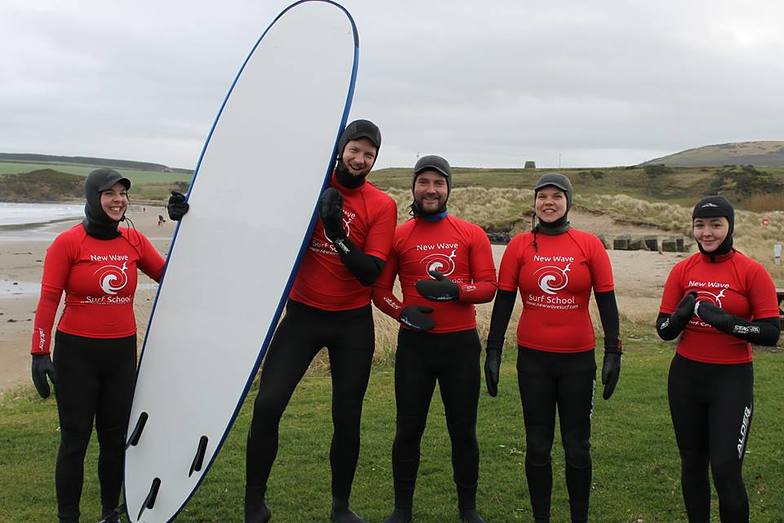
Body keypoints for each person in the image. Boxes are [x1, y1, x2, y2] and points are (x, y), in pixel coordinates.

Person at [244, 119, 397, 523]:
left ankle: (340, 507)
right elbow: (250, 218)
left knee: (346, 417)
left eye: (369, 154)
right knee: (268, 404)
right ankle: (254, 502)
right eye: (355, 150)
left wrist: (337, 234)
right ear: (341, 148)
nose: (360, 159)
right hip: (303, 316)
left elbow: (370, 273)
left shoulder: (381, 206)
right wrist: (187, 212)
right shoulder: (307, 187)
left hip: (351, 322)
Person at [30, 168, 167, 523]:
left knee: (114, 439)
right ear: (94, 198)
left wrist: (185, 223)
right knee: (75, 441)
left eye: (122, 193)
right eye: (109, 193)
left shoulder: (133, 242)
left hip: (120, 354)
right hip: (77, 355)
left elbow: (169, 274)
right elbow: (48, 300)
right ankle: (68, 517)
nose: (118, 200)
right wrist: (40, 352)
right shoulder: (68, 242)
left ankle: (110, 512)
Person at [484, 173, 621, 523]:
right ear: (534, 203)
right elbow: (503, 302)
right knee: (538, 447)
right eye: (542, 196)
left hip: (577, 362)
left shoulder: (589, 245)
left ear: (568, 202)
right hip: (533, 362)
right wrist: (494, 351)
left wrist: (613, 353)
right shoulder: (519, 246)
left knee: (577, 448)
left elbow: (606, 302)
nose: (548, 202)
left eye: (556, 196)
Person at [372, 155, 497, 523]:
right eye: (424, 182)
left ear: (448, 189)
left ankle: (468, 509)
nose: (431, 190)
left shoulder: (470, 233)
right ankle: (402, 509)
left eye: (438, 183)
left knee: (463, 431)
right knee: (408, 428)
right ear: (413, 187)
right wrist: (401, 313)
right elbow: (380, 291)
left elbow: (488, 287)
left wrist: (456, 291)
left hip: (459, 346)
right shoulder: (399, 236)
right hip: (415, 348)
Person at [656, 195, 780, 523]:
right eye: (700, 225)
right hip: (686, 378)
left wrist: (727, 322)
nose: (706, 233)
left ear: (730, 226)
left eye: (715, 225)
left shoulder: (752, 271)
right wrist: (681, 315)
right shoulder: (682, 270)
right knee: (693, 464)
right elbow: (664, 330)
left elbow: (770, 333)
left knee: (725, 467)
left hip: (731, 380)